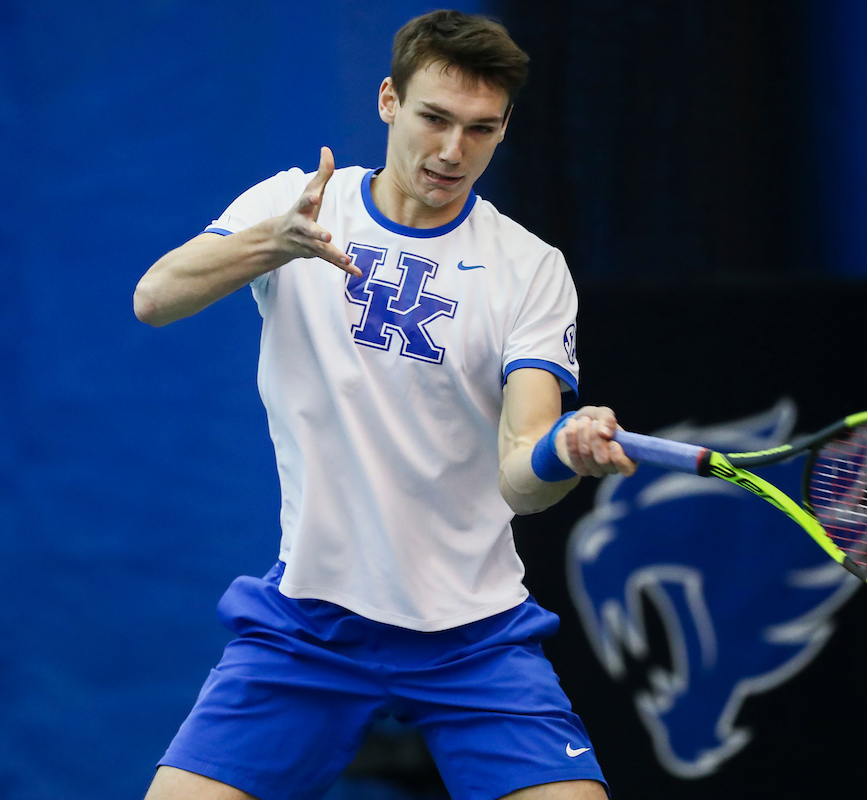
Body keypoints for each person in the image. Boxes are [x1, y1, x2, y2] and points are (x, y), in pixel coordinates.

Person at [133, 10, 635, 800]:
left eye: (481, 129)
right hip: (310, 626)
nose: (451, 151)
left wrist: (559, 453)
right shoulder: (298, 203)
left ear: (504, 130)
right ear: (387, 101)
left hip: (475, 639)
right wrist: (276, 243)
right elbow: (154, 298)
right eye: (434, 117)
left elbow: (521, 476)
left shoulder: (531, 268)